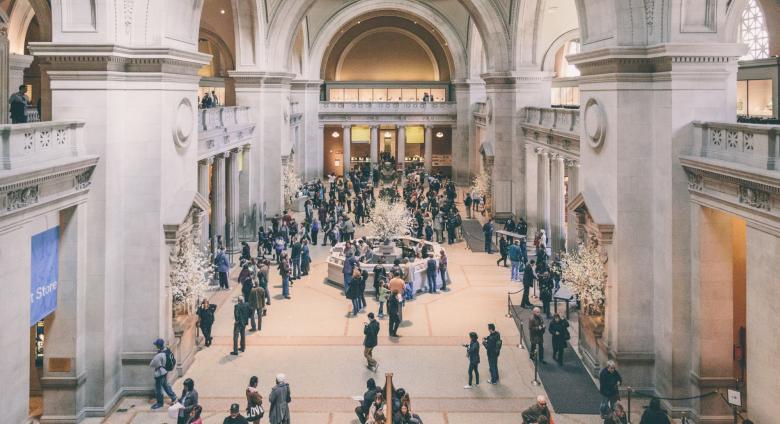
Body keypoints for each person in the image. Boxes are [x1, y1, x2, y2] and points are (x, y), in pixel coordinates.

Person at [149, 338, 177, 409]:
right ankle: (173, 397)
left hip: (160, 373)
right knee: (165, 385)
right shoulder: (166, 350)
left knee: (158, 389)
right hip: (165, 371)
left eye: (156, 345)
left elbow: (151, 364)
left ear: (158, 346)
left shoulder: (159, 355)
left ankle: (160, 403)